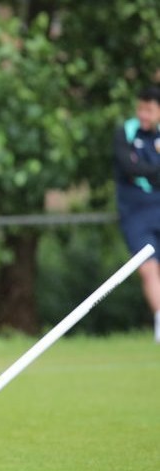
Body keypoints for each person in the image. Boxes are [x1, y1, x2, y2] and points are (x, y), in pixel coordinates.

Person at [112, 85, 160, 342]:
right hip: (135, 211)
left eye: (149, 110)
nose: (143, 115)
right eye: (140, 108)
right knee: (148, 268)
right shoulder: (126, 133)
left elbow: (140, 168)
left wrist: (145, 168)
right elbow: (128, 168)